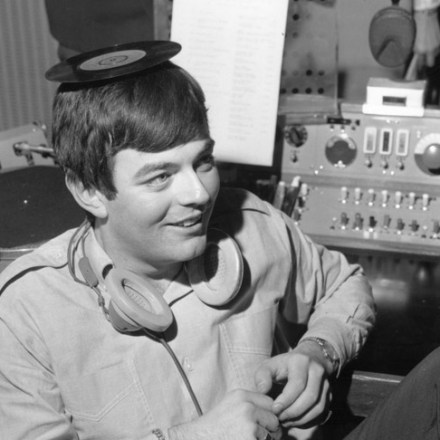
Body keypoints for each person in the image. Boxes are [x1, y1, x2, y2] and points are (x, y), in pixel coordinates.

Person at [0, 42, 376, 440]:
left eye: (203, 161)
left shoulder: (255, 225)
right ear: (88, 190)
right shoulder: (23, 313)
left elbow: (344, 283)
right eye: (161, 176)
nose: (198, 194)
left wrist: (318, 351)